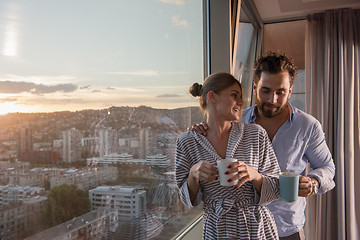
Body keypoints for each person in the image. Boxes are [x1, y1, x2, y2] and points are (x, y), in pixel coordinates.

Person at [191, 52, 336, 240]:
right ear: (254, 88)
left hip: (287, 230)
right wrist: (202, 129)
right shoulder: (235, 121)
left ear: (290, 91)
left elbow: (328, 167)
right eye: (265, 90)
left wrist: (314, 182)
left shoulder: (308, 126)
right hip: (242, 232)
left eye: (280, 92)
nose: (272, 100)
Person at [175, 72, 281, 239]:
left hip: (256, 227)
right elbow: (185, 199)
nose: (241, 102)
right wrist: (193, 174)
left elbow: (276, 188)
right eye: (234, 95)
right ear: (212, 97)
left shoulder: (256, 134)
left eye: (241, 96)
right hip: (217, 229)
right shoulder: (187, 141)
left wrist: (255, 175)